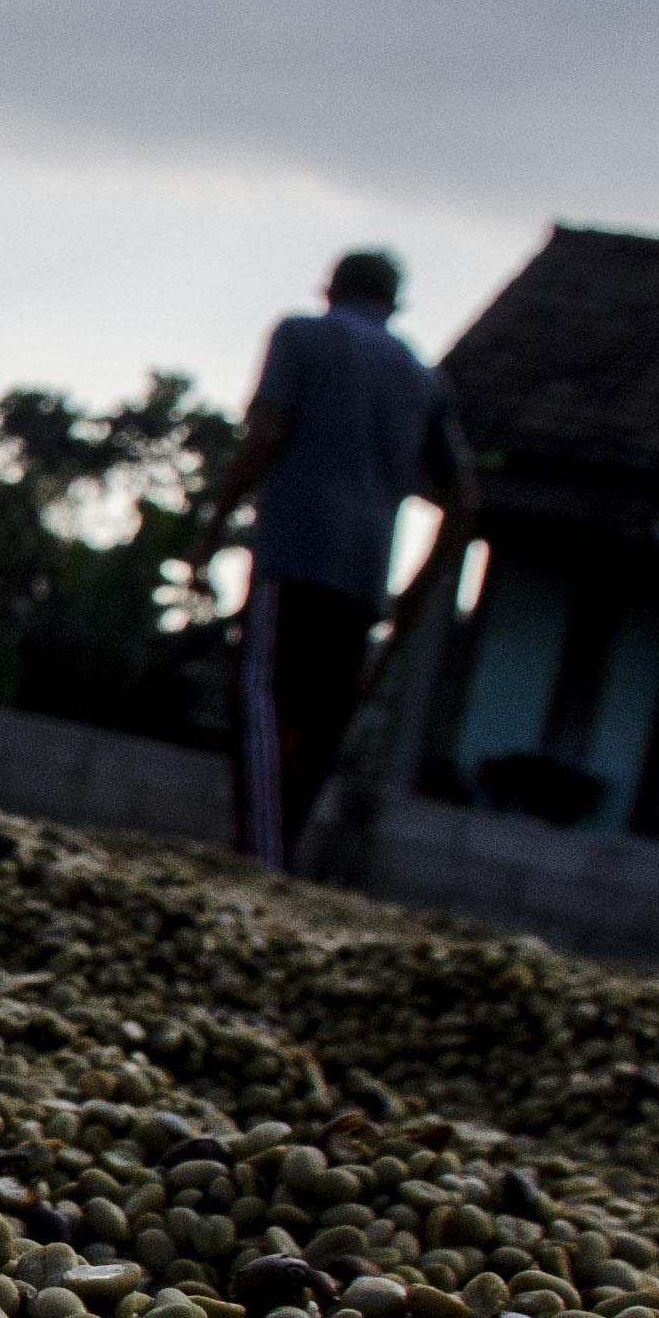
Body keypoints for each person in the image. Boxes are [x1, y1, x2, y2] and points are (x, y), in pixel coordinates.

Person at [191, 249, 479, 871]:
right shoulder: (423, 378)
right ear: (394, 304)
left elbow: (266, 433)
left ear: (330, 290)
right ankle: (277, 858)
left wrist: (215, 524)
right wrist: (419, 590)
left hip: (295, 555)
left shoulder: (301, 337)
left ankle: (262, 865)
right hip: (364, 576)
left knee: (264, 704)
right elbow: (464, 499)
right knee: (321, 728)